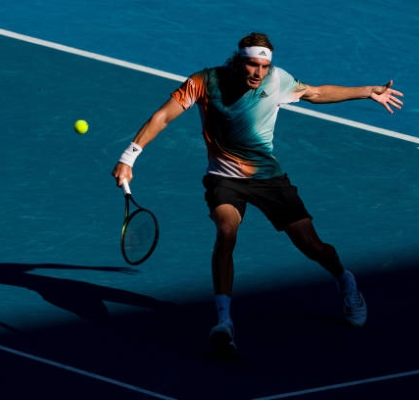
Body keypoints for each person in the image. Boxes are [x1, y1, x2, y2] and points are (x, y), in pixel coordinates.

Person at [111, 32, 404, 354]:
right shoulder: (204, 82)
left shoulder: (277, 80)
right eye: (252, 65)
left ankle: (345, 281)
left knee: (311, 245)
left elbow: (316, 93)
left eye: (264, 66)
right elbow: (164, 116)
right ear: (238, 61)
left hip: (269, 179)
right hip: (224, 179)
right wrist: (128, 157)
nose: (258, 73)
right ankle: (224, 322)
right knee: (226, 231)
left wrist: (367, 92)